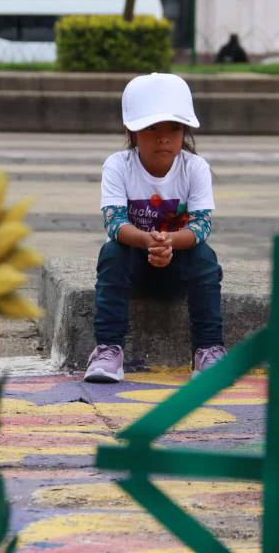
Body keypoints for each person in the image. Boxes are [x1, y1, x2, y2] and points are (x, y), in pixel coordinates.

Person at [84, 73, 226, 384]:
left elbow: (202, 225)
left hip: (179, 265)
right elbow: (114, 222)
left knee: (206, 257)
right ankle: (109, 350)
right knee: (111, 252)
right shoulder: (118, 165)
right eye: (151, 128)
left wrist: (170, 242)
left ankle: (208, 350)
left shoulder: (195, 168)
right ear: (131, 132)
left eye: (173, 128)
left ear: (184, 131)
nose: (163, 137)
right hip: (134, 266)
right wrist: (150, 242)